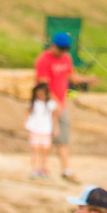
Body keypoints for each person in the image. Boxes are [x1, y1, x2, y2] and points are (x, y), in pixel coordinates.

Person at [34, 32, 97, 182]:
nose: (63, 52)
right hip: (46, 106)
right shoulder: (43, 60)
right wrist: (54, 103)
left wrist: (87, 80)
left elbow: (71, 77)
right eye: (60, 49)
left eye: (65, 49)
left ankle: (66, 170)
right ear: (53, 45)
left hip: (62, 105)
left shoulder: (66, 58)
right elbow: (43, 85)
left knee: (63, 138)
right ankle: (42, 168)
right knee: (45, 138)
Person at [26, 82, 58, 179]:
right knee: (35, 150)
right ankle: (35, 169)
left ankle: (43, 169)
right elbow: (28, 113)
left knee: (45, 151)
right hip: (35, 130)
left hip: (46, 130)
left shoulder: (50, 104)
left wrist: (55, 128)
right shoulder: (33, 103)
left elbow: (54, 116)